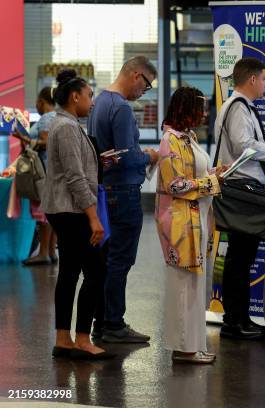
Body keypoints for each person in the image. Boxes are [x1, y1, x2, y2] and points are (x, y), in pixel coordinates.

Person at [214, 57, 265, 340]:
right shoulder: (238, 108)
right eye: (263, 78)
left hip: (243, 188)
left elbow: (246, 152)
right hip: (242, 191)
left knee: (241, 258)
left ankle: (239, 318)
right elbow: (243, 146)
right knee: (240, 258)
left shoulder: (241, 107)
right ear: (251, 80)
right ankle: (234, 321)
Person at [41, 69, 113, 360]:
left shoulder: (67, 125)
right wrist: (93, 217)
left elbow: (77, 168)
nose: (92, 102)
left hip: (64, 209)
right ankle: (83, 338)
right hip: (71, 211)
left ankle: (63, 339)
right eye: (89, 96)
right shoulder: (68, 128)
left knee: (70, 271)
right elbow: (74, 177)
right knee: (96, 271)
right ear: (75, 97)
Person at [87, 56, 159, 343]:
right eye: (147, 85)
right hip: (124, 193)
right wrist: (150, 156)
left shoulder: (99, 104)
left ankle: (101, 322)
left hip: (105, 192)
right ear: (136, 75)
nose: (145, 91)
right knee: (120, 261)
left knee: (106, 260)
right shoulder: (122, 109)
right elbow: (128, 157)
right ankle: (114, 324)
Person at [155, 87, 226, 364]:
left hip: (196, 221)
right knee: (183, 288)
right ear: (186, 108)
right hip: (180, 225)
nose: (204, 113)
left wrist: (214, 173)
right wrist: (211, 182)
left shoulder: (189, 138)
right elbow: (176, 185)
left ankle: (192, 345)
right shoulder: (170, 141)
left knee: (195, 287)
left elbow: (193, 174)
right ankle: (183, 348)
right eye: (200, 107)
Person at [2, 87, 58, 265]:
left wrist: (24, 138)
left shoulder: (47, 119)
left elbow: (45, 143)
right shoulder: (57, 117)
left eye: (37, 102)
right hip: (52, 171)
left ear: (42, 101)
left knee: (44, 215)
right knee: (52, 213)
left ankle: (43, 253)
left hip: (43, 172)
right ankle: (50, 252)